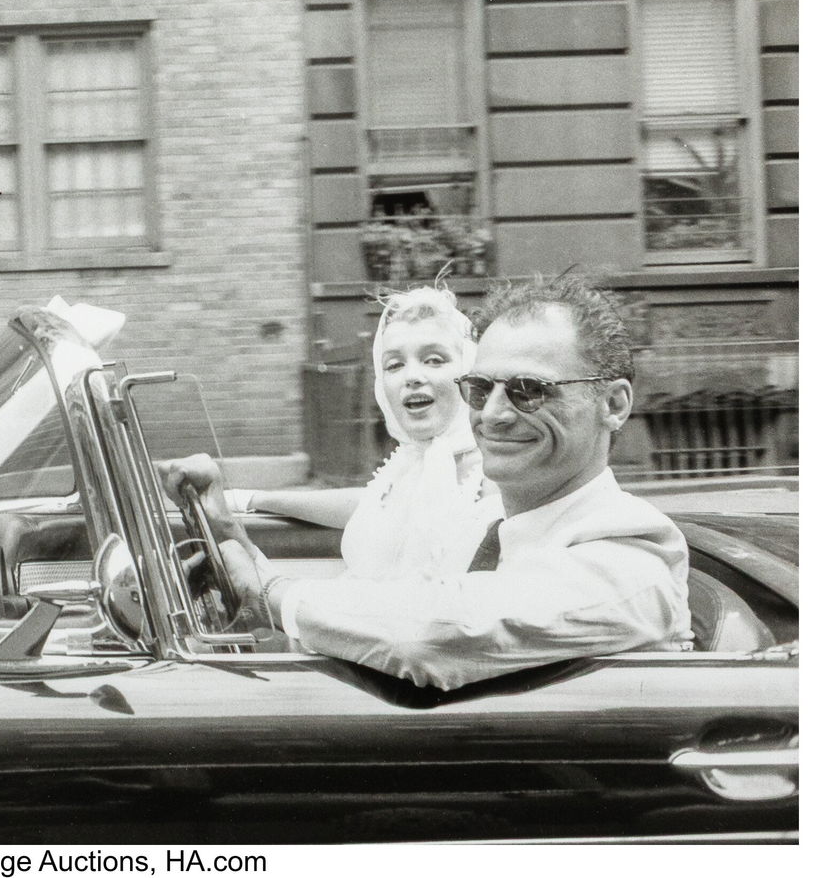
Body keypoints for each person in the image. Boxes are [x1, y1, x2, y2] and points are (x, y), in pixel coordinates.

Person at [165, 273, 692, 691]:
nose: (493, 414)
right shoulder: (486, 524)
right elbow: (382, 606)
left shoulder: (630, 558)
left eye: (530, 390)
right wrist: (230, 536)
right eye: (480, 388)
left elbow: (433, 631)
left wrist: (271, 594)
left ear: (613, 404)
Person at [228, 284, 501, 579]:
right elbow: (371, 504)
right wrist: (254, 499)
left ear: (469, 372)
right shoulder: (409, 464)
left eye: (433, 360)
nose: (411, 377)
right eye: (394, 365)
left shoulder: (497, 476)